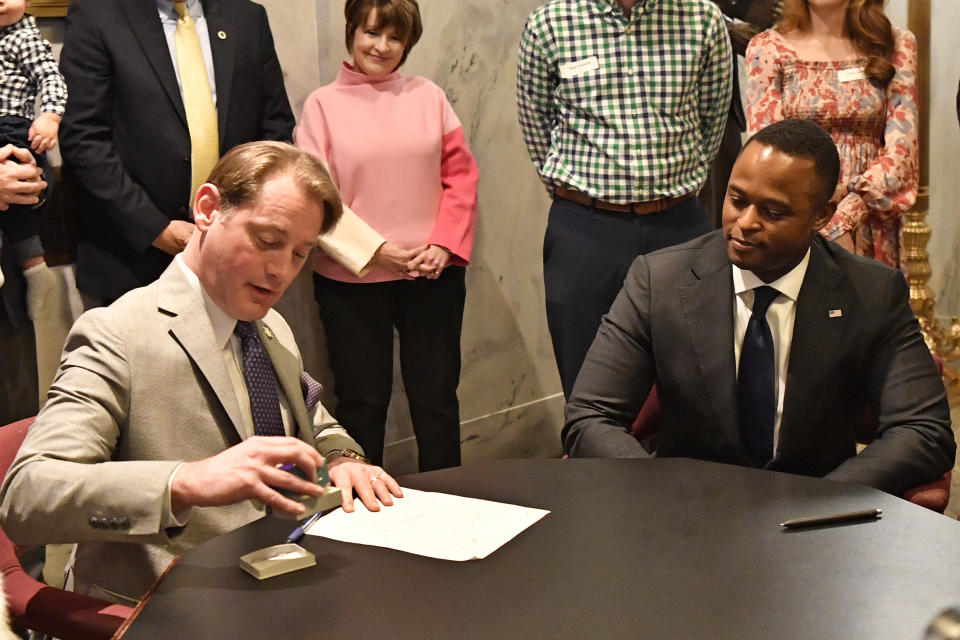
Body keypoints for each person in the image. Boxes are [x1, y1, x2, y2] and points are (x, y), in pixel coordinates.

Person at [0, 142, 404, 605]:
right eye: (268, 240)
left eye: (299, 254)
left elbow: (312, 420)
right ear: (208, 209)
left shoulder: (268, 324)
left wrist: (344, 457)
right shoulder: (117, 333)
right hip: (166, 606)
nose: (281, 272)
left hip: (282, 581)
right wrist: (185, 482)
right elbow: (28, 496)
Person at [563, 119, 955, 497]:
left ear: (821, 216)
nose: (744, 223)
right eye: (737, 200)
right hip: (686, 519)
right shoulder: (659, 280)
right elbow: (590, 416)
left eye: (772, 212)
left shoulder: (871, 292)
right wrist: (661, 493)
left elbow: (924, 430)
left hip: (817, 524)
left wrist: (826, 496)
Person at [517, 0, 733, 398]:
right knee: (587, 377)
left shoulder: (702, 17)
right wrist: (583, 196)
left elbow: (712, 118)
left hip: (679, 225)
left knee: (694, 378)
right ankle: (593, 462)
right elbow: (536, 122)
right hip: (585, 229)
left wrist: (679, 185)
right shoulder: (551, 22)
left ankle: (682, 463)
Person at [296, 0, 478, 471]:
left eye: (394, 37)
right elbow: (316, 199)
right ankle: (364, 512)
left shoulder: (429, 96)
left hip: (431, 274)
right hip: (350, 282)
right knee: (362, 404)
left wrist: (442, 244)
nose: (381, 46)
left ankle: (451, 502)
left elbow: (461, 177)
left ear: (407, 44)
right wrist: (377, 252)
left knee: (437, 401)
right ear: (351, 31)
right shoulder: (321, 106)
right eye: (371, 32)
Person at [58, 0, 296, 306]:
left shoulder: (247, 17)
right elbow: (83, 138)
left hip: (236, 252)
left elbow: (275, 128)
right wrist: (156, 229)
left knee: (236, 354)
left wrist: (243, 220)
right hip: (136, 258)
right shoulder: (97, 15)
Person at [744, 0, 917, 268]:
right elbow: (770, 152)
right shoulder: (766, 48)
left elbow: (903, 151)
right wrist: (819, 222)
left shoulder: (896, 44)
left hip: (871, 218)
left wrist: (845, 218)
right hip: (798, 220)